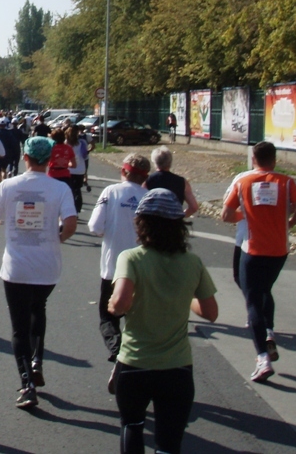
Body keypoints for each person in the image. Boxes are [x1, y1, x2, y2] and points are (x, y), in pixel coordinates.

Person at [109, 188, 218, 454]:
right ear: (179, 226)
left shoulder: (131, 258)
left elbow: (120, 304)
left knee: (132, 425)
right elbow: (210, 312)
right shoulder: (193, 262)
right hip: (177, 367)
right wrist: (182, 297)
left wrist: (114, 304)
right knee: (169, 442)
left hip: (135, 362)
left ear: (142, 223)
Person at [0, 136, 77, 409]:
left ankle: (27, 384)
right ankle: (37, 360)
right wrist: (56, 239)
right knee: (39, 309)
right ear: (49, 160)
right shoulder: (60, 189)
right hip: (47, 265)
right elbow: (70, 224)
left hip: (16, 266)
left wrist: (6, 225)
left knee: (19, 327)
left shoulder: (8, 186)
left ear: (25, 157)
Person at [220, 141, 296, 382]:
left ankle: (262, 359)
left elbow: (226, 215)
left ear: (253, 159)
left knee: (253, 300)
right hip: (279, 250)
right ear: (274, 160)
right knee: (264, 288)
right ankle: (268, 331)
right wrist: (288, 223)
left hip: (252, 249)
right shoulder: (286, 182)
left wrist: (244, 215)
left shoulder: (243, 181)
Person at [87, 153, 150, 364]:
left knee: (108, 317)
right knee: (137, 318)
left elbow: (95, 226)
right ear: (145, 177)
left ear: (123, 172)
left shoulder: (111, 192)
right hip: (143, 269)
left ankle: (117, 349)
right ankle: (136, 356)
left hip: (113, 267)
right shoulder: (150, 196)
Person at [146, 147, 198, 217]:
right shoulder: (182, 182)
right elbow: (194, 207)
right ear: (170, 162)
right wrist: (180, 217)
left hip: (153, 222)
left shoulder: (148, 181)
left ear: (154, 162)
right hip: (174, 224)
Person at [47, 128, 76, 192]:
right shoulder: (68, 148)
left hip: (52, 174)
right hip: (65, 175)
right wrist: (64, 163)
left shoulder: (50, 148)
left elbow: (45, 162)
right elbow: (74, 165)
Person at [67, 125, 87, 213]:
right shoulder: (82, 143)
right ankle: (77, 208)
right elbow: (85, 156)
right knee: (78, 189)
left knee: (70, 190)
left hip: (69, 169)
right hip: (80, 170)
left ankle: (70, 208)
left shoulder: (66, 144)